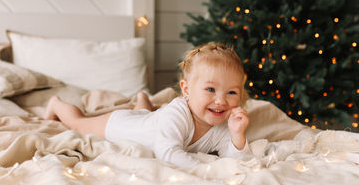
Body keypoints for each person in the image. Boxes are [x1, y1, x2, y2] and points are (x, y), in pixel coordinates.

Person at [44, 42, 251, 168]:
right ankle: (56, 104)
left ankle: (143, 101)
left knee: (145, 116)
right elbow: (167, 154)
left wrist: (237, 135)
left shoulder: (221, 122)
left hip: (148, 123)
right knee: (78, 122)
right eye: (210, 90)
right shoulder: (177, 113)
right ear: (186, 90)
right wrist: (208, 172)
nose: (221, 101)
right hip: (121, 125)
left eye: (231, 92)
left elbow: (234, 159)